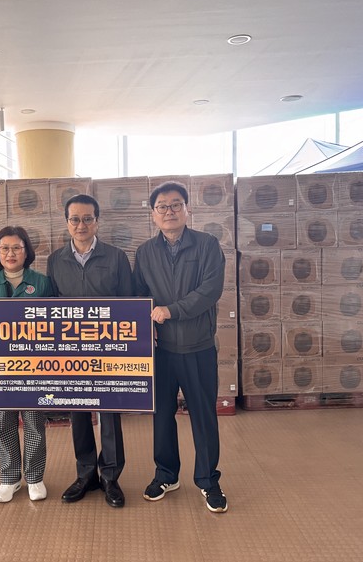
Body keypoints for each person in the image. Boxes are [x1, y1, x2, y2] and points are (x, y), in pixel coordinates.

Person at [132, 181, 228, 513]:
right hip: (160, 349)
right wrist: (144, 326)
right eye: (162, 206)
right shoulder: (145, 252)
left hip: (198, 346)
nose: (169, 211)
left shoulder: (207, 245)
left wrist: (172, 310)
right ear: (153, 214)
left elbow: (210, 290)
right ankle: (166, 475)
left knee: (203, 415)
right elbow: (139, 294)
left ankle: (208, 480)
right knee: (161, 415)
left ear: (187, 210)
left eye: (176, 205)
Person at [46, 194, 133, 508]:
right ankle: (85, 474)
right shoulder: (55, 260)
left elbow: (129, 303)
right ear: (66, 222)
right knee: (78, 412)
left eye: (87, 219)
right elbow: (51, 306)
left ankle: (110, 476)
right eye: (74, 219)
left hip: (108, 348)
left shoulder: (116, 257)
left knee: (109, 413)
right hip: (72, 351)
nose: (80, 225)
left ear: (97, 221)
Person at [0, 226, 53, 503]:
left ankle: (35, 477)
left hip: (33, 366)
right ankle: (9, 478)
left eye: (17, 247)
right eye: (4, 248)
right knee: (4, 421)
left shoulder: (41, 283)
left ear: (26, 251)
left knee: (34, 421)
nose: (10, 253)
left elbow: (55, 320)